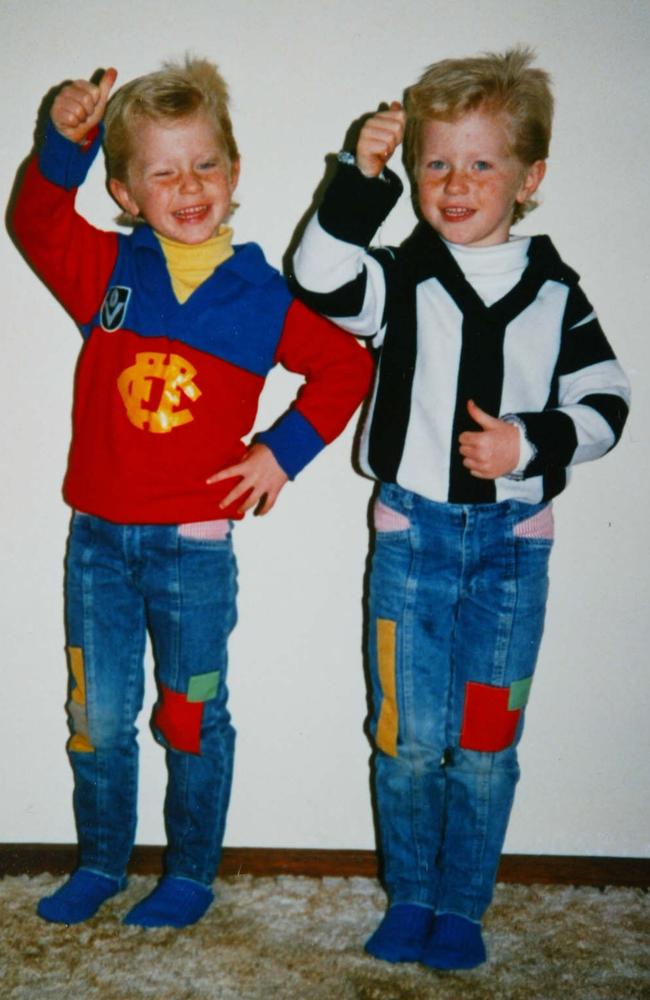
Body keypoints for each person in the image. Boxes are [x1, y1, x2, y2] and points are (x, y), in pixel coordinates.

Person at [11, 58, 372, 929]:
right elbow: (33, 220)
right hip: (96, 540)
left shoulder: (259, 295)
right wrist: (67, 141)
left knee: (191, 713)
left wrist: (278, 454)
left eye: (205, 164)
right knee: (96, 718)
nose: (187, 186)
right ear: (127, 192)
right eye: (162, 171)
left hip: (195, 550)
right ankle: (101, 862)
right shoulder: (105, 269)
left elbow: (346, 365)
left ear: (235, 172)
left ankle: (191, 874)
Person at [291, 47, 629, 969]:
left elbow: (608, 405)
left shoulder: (558, 294)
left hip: (514, 548)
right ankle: (411, 896)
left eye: (482, 163)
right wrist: (357, 181)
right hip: (412, 536)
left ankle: (463, 906)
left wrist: (529, 443)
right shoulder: (401, 276)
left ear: (531, 179)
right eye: (435, 162)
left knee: (485, 740)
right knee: (406, 737)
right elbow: (318, 278)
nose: (455, 182)